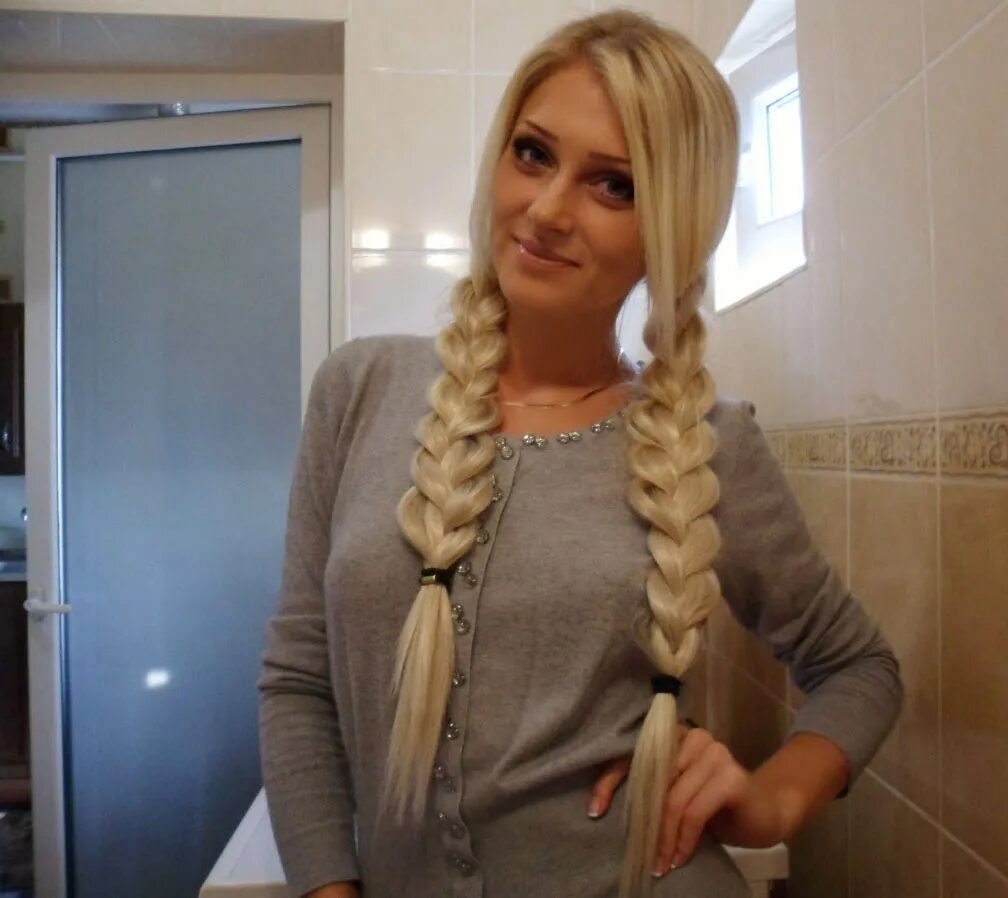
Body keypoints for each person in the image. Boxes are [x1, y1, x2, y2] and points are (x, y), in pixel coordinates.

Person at [257, 10, 904, 898]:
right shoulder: (358, 389)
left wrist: (769, 803)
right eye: (533, 153)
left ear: (672, 229)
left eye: (614, 186)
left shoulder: (708, 443)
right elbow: (299, 682)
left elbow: (860, 666)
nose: (548, 209)